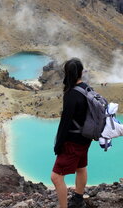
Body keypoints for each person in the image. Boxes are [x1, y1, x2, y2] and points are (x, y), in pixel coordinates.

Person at [51, 58, 92, 208]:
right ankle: (78, 200)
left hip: (72, 142)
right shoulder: (87, 88)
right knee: (81, 168)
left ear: (67, 74)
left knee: (56, 177)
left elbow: (65, 123)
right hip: (85, 138)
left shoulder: (71, 95)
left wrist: (58, 144)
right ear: (81, 72)